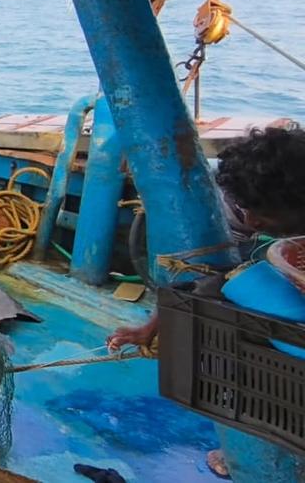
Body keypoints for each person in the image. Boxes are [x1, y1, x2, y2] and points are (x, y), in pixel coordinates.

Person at [106, 125, 305, 480]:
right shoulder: (245, 207)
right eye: (246, 209)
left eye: (262, 212)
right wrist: (151, 327)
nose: (252, 220)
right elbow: (212, 276)